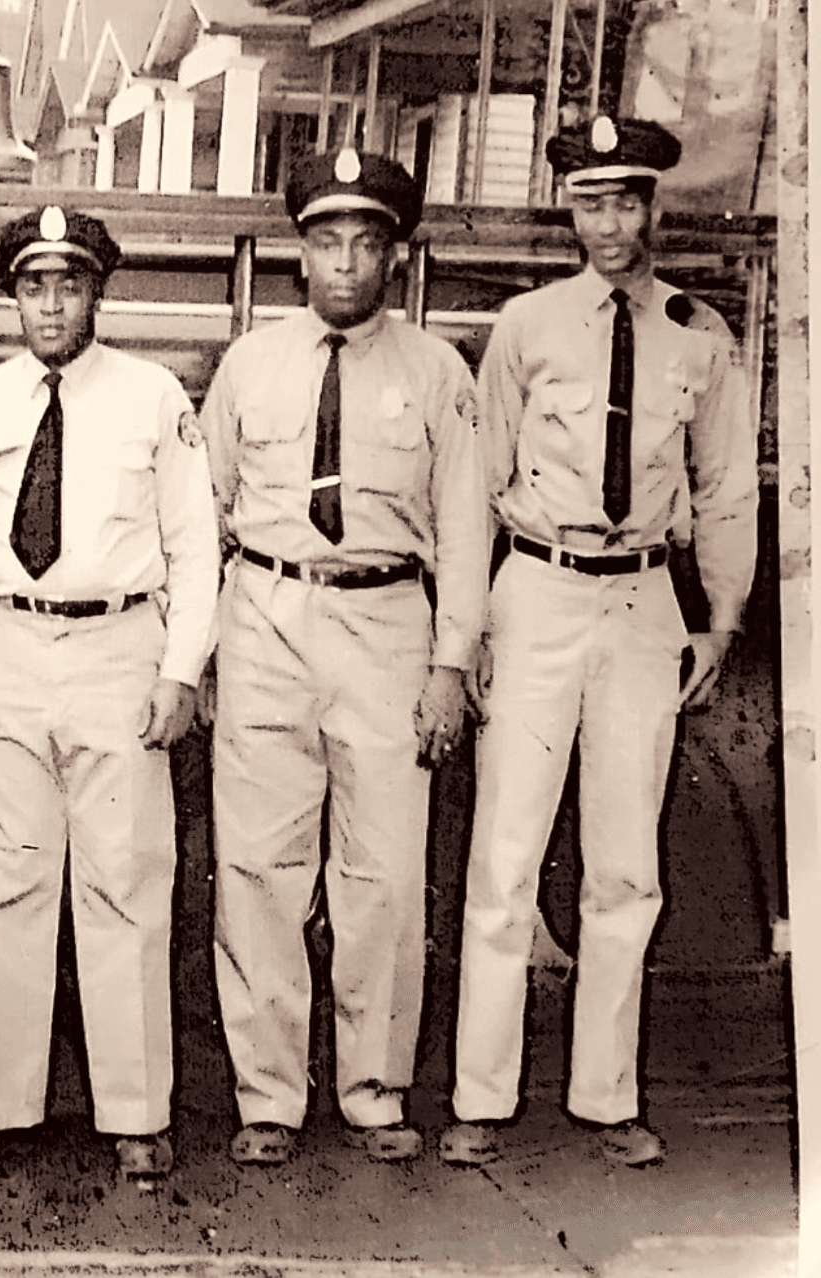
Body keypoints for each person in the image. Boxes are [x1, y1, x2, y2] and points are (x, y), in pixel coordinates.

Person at [441, 117, 757, 1169]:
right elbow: (479, 484)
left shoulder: (697, 334)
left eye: (627, 201)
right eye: (590, 202)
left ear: (654, 206)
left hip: (641, 608)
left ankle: (606, 1097)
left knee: (626, 862)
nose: (610, 222)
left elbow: (722, 489)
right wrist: (475, 621)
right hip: (537, 587)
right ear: (566, 210)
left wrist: (721, 616)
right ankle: (481, 1095)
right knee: (506, 854)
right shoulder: (526, 327)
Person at [202, 149, 488, 1166]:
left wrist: (451, 665)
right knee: (259, 864)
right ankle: (268, 1096)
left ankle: (374, 1087)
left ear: (394, 255)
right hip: (269, 610)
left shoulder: (439, 373)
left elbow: (463, 528)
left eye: (368, 243)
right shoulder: (250, 364)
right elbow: (209, 513)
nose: (347, 263)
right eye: (328, 242)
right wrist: (201, 656)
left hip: (386, 623)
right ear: (301, 253)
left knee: (381, 870)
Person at [0, 206, 218, 1182]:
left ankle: (136, 1114)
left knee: (126, 881)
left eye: (70, 284)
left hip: (117, 645)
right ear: (14, 294)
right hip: (6, 646)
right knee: (6, 881)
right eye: (34, 285)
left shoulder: (151, 396)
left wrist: (181, 669)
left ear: (98, 291)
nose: (51, 303)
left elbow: (192, 545)